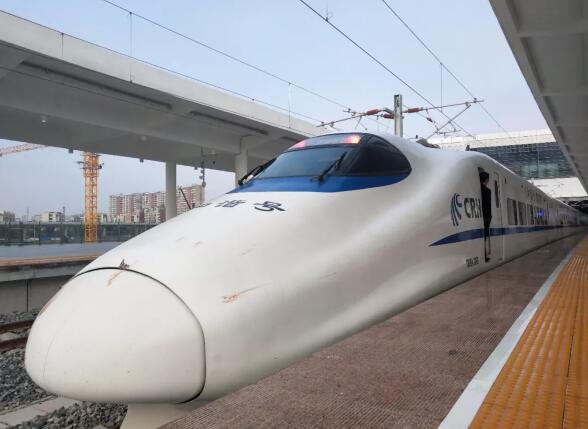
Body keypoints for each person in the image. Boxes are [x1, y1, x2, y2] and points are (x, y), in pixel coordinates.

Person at [480, 171, 492, 262]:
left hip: (481, 215)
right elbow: (488, 205)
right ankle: (484, 256)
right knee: (484, 237)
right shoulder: (487, 191)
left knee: (482, 237)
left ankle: (484, 255)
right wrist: (489, 217)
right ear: (487, 180)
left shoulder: (478, 189)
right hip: (486, 217)